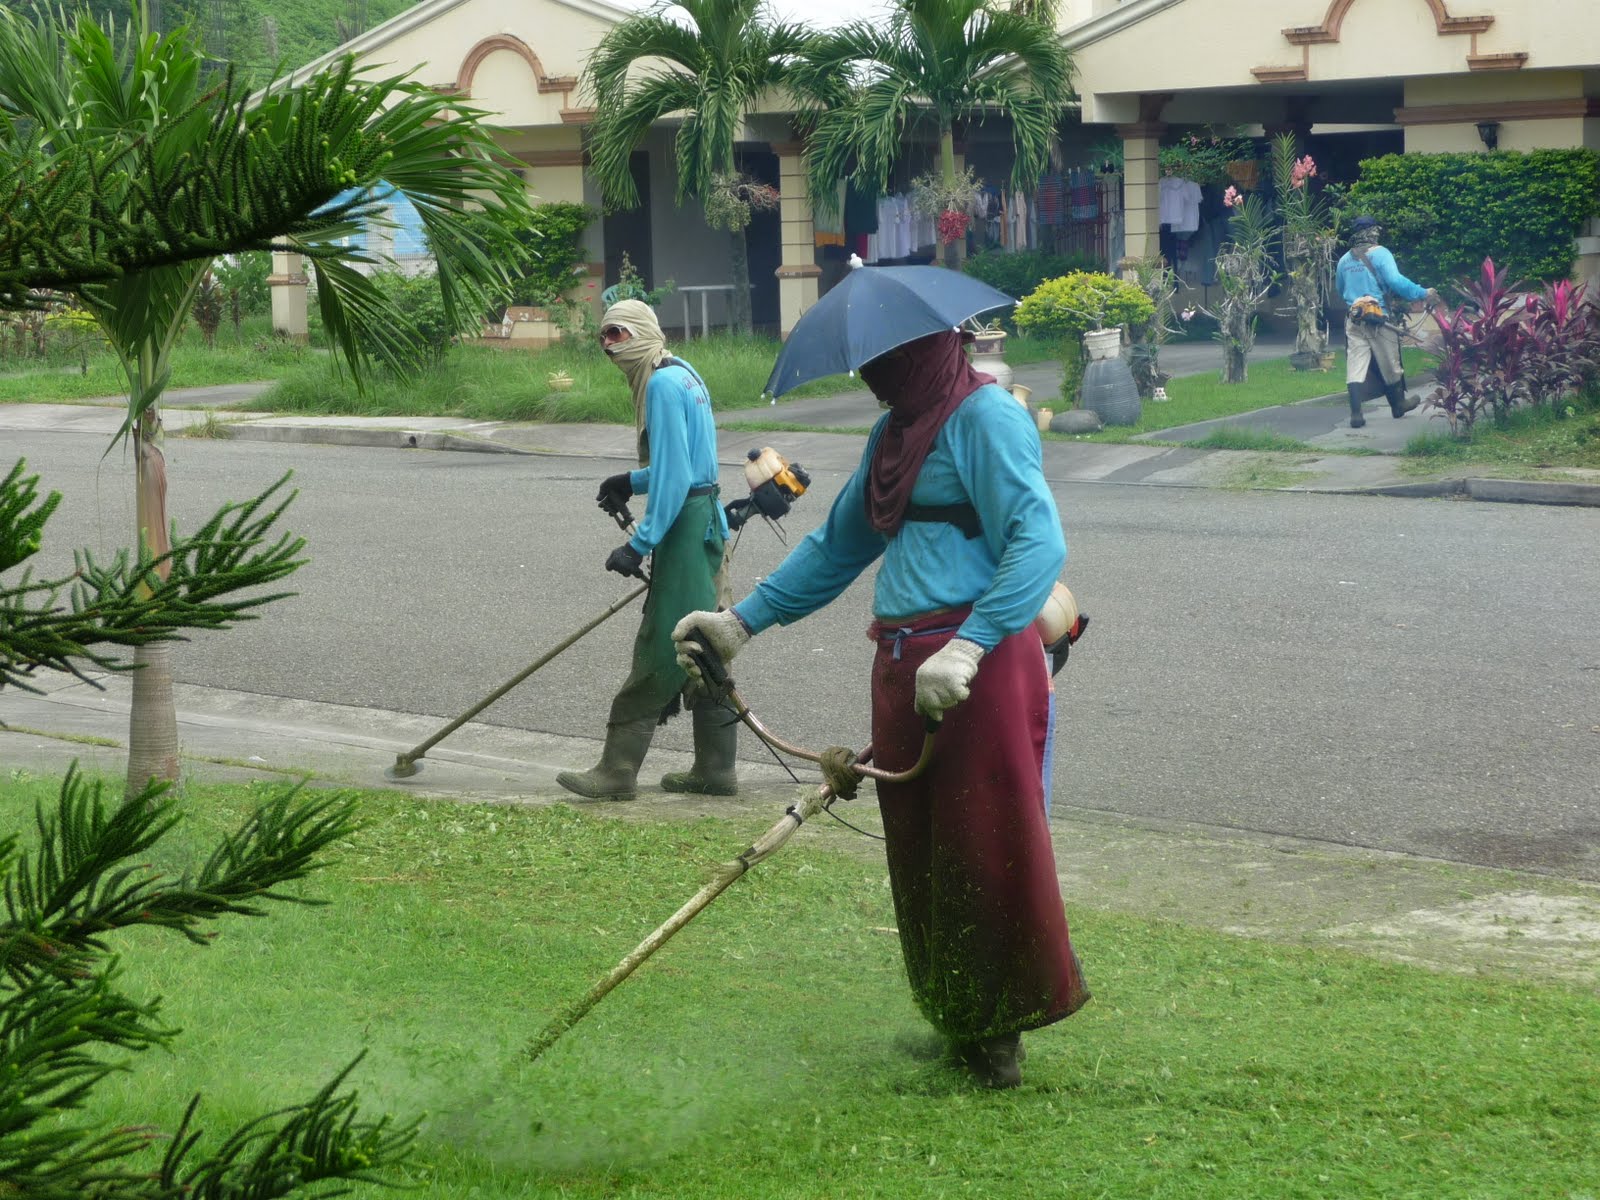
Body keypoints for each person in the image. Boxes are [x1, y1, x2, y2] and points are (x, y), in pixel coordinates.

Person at [671, 329, 1090, 1089]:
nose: (871, 376)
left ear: (929, 351)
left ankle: (997, 1041)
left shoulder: (984, 418)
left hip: (976, 665)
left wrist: (968, 647)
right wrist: (741, 624)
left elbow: (1038, 542)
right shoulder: (897, 428)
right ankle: (957, 1014)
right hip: (903, 664)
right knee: (923, 854)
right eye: (866, 364)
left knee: (983, 848)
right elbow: (838, 546)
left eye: (886, 362)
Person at [555, 299, 738, 801]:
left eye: (618, 333)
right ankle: (715, 770)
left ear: (641, 332)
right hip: (707, 523)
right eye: (604, 336)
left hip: (684, 527)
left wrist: (639, 543)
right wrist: (631, 480)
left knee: (664, 644)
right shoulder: (683, 373)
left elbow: (677, 476)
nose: (609, 345)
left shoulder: (659, 384)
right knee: (705, 642)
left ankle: (617, 771)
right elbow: (688, 463)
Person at [1336, 215, 1439, 429]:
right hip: (1378, 319)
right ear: (1373, 232)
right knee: (1390, 364)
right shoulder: (1381, 253)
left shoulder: (1344, 260)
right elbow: (1395, 281)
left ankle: (1356, 414)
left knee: (1355, 364)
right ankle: (1398, 404)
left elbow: (1340, 289)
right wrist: (1422, 293)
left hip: (1354, 318)